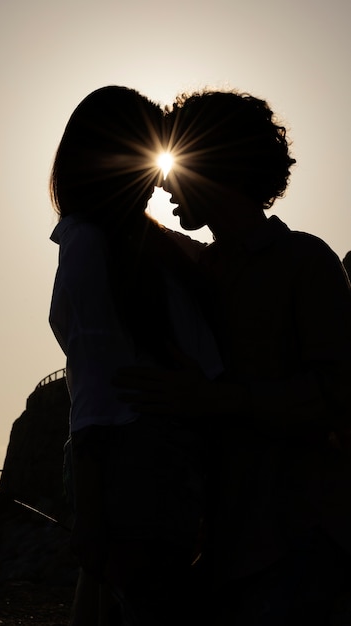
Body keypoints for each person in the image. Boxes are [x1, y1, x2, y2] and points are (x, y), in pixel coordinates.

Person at [115, 88, 351, 624]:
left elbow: (337, 396)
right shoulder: (192, 271)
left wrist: (215, 400)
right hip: (221, 551)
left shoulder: (304, 262)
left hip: (299, 543)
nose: (161, 182)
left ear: (214, 162)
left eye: (174, 164)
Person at [48, 85, 223, 625]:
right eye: (146, 158)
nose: (157, 176)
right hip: (144, 470)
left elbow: (97, 395)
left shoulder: (144, 246)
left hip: (156, 469)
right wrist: (92, 519)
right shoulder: (99, 245)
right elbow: (97, 393)